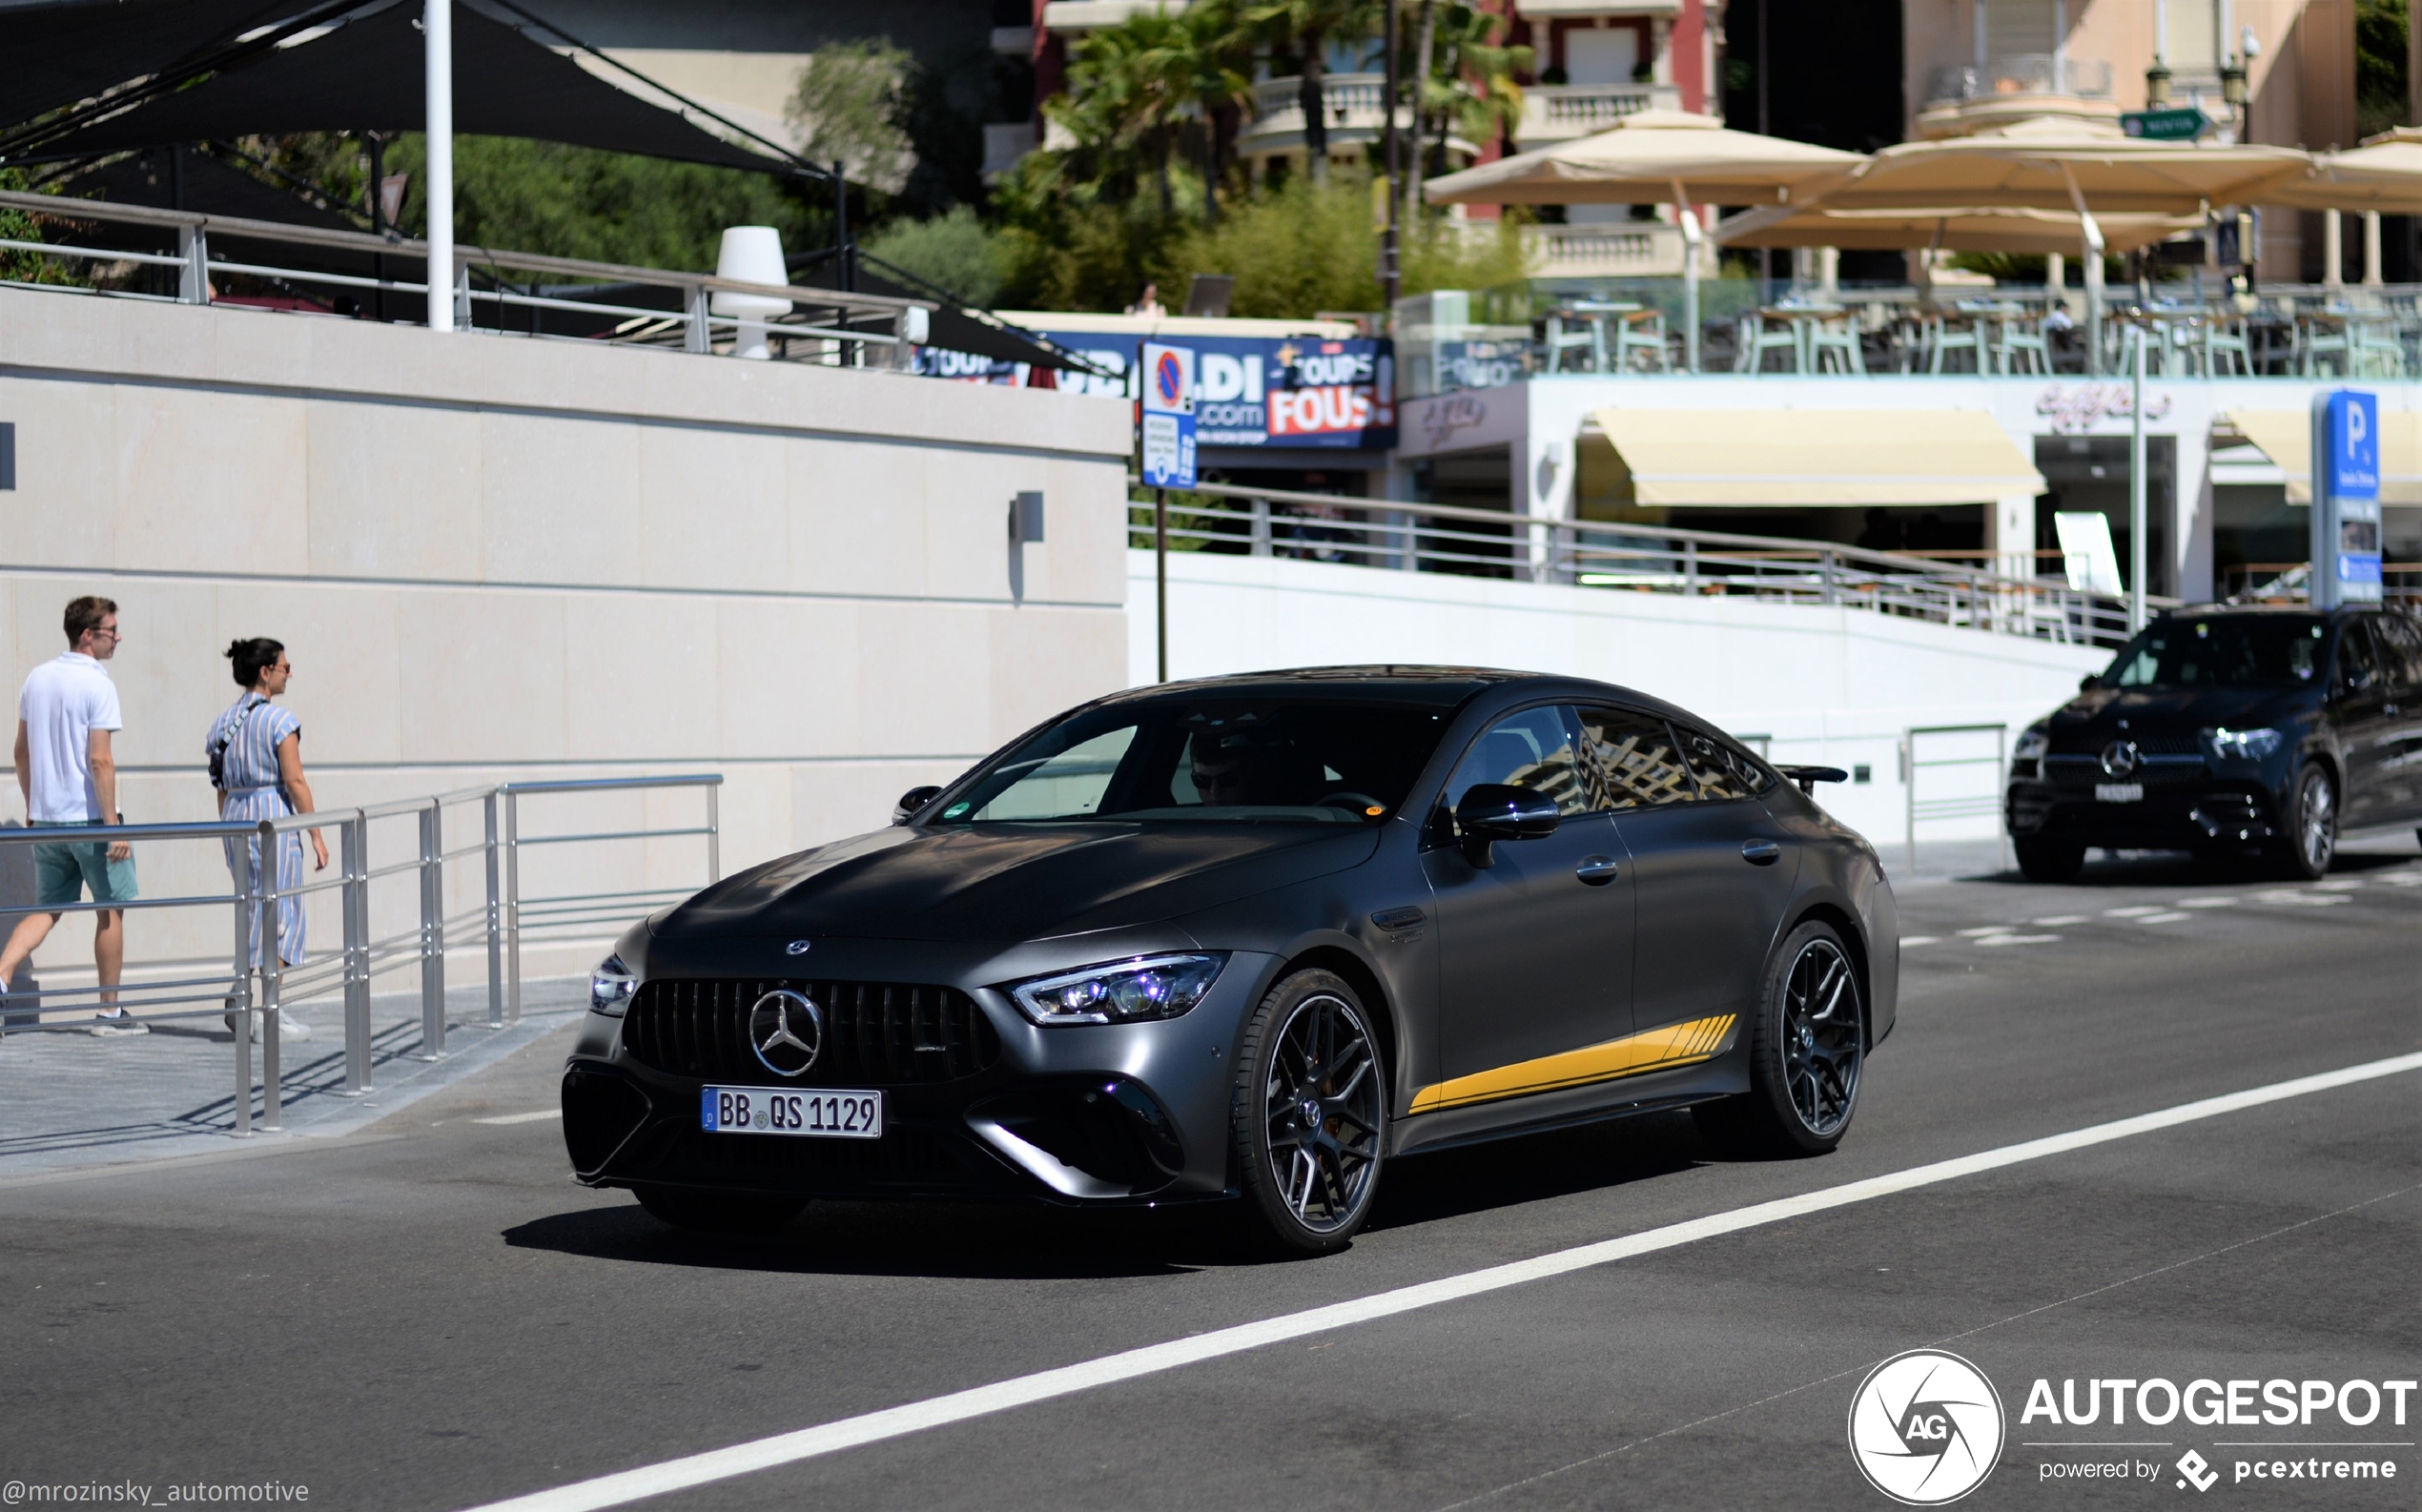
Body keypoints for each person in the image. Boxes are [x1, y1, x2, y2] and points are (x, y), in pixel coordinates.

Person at [0, 596, 141, 1034]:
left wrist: (32, 807)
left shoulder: (37, 679)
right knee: (110, 910)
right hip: (92, 820)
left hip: (45, 819)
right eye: (111, 630)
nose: (118, 637)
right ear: (87, 635)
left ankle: (1, 974)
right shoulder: (98, 684)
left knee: (49, 908)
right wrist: (113, 824)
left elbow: (21, 752)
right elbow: (101, 761)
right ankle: (109, 1013)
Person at [208, 639, 327, 1043]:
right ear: (265, 671)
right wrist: (316, 833)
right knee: (281, 910)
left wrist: (229, 823)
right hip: (272, 818)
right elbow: (294, 780)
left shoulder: (222, 723)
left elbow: (220, 786)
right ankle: (267, 1012)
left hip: (236, 820)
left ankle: (243, 994)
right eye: (284, 667)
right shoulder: (279, 720)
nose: (288, 673)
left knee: (253, 908)